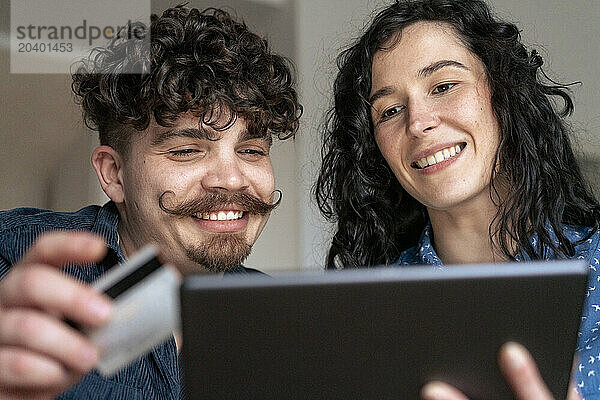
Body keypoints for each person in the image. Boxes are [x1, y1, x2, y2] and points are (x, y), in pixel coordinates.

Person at [0, 5, 301, 400]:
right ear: (114, 174)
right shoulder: (11, 260)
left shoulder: (285, 322)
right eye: (187, 150)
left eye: (251, 151)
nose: (232, 178)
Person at [315, 0, 600, 398]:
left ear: (504, 93)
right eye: (390, 110)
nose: (417, 122)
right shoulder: (366, 314)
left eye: (444, 87)